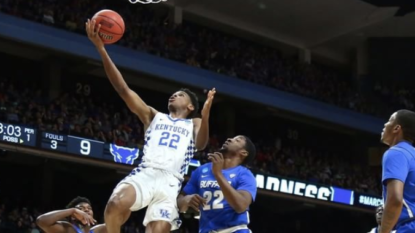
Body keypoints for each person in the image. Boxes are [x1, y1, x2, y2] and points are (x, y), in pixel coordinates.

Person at [85, 19, 215, 233]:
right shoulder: (153, 116)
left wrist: (206, 114)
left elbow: (201, 145)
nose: (174, 95)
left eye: (180, 95)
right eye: (174, 93)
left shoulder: (194, 122)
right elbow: (123, 89)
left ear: (191, 106)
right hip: (147, 172)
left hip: (170, 183)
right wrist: (100, 49)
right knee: (114, 205)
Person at [178, 135, 257, 233]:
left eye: (237, 140)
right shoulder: (201, 170)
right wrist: (186, 200)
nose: (229, 139)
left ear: (243, 153)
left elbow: (241, 206)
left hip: (235, 230)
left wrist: (218, 174)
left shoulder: (245, 174)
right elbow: (179, 205)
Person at [379, 109, 415, 233]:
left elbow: (395, 199)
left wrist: (383, 231)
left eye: (389, 120)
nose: (385, 124)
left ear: (396, 128)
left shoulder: (396, 152)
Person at [36, 196, 106, 233]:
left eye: (89, 208)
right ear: (73, 216)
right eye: (81, 208)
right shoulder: (68, 229)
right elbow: (41, 221)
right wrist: (72, 210)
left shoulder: (98, 230)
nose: (86, 210)